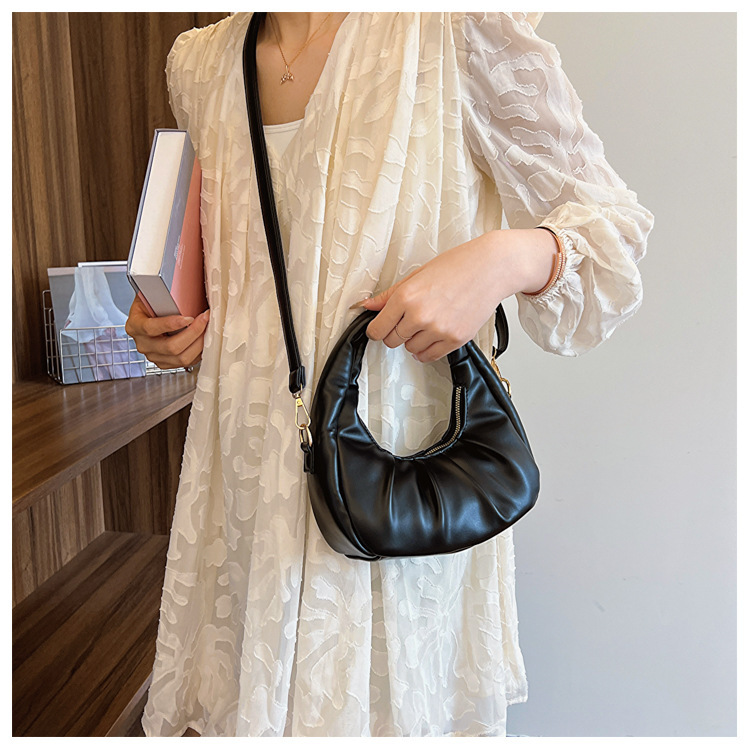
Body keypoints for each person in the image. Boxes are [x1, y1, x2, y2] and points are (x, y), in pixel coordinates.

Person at [127, 12, 654, 737]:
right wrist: (167, 324)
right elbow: (248, 264)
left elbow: (613, 235)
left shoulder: (453, 25)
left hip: (398, 475)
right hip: (245, 486)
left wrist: (501, 260)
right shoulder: (200, 62)